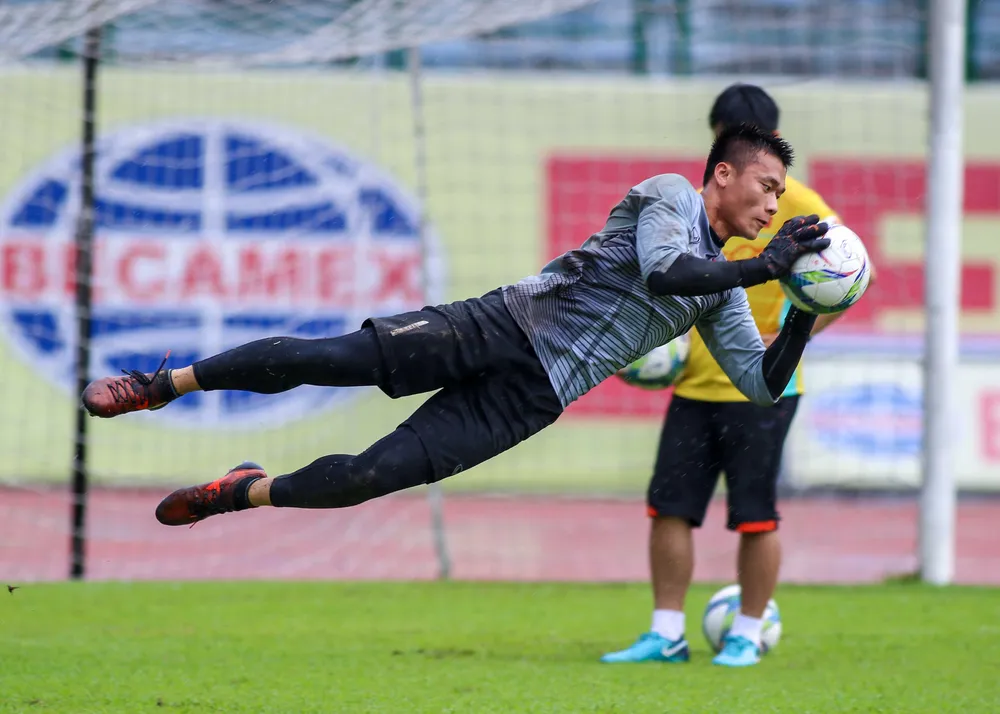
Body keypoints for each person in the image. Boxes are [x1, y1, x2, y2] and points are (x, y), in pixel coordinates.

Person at [81, 124, 829, 565]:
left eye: (780, 193)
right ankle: (161, 384)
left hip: (531, 397)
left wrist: (803, 307)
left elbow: (762, 384)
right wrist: (766, 266)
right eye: (766, 185)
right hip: (499, 325)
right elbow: (666, 271)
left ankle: (242, 490)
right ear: (721, 173)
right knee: (327, 359)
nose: (774, 203)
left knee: (367, 477)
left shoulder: (725, 289)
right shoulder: (670, 195)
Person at [600, 84, 875, 669]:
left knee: (755, 515)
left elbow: (854, 275)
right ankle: (666, 634)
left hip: (766, 386)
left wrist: (797, 334)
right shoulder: (703, 208)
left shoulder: (797, 202)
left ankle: (747, 631)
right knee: (669, 506)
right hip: (695, 379)